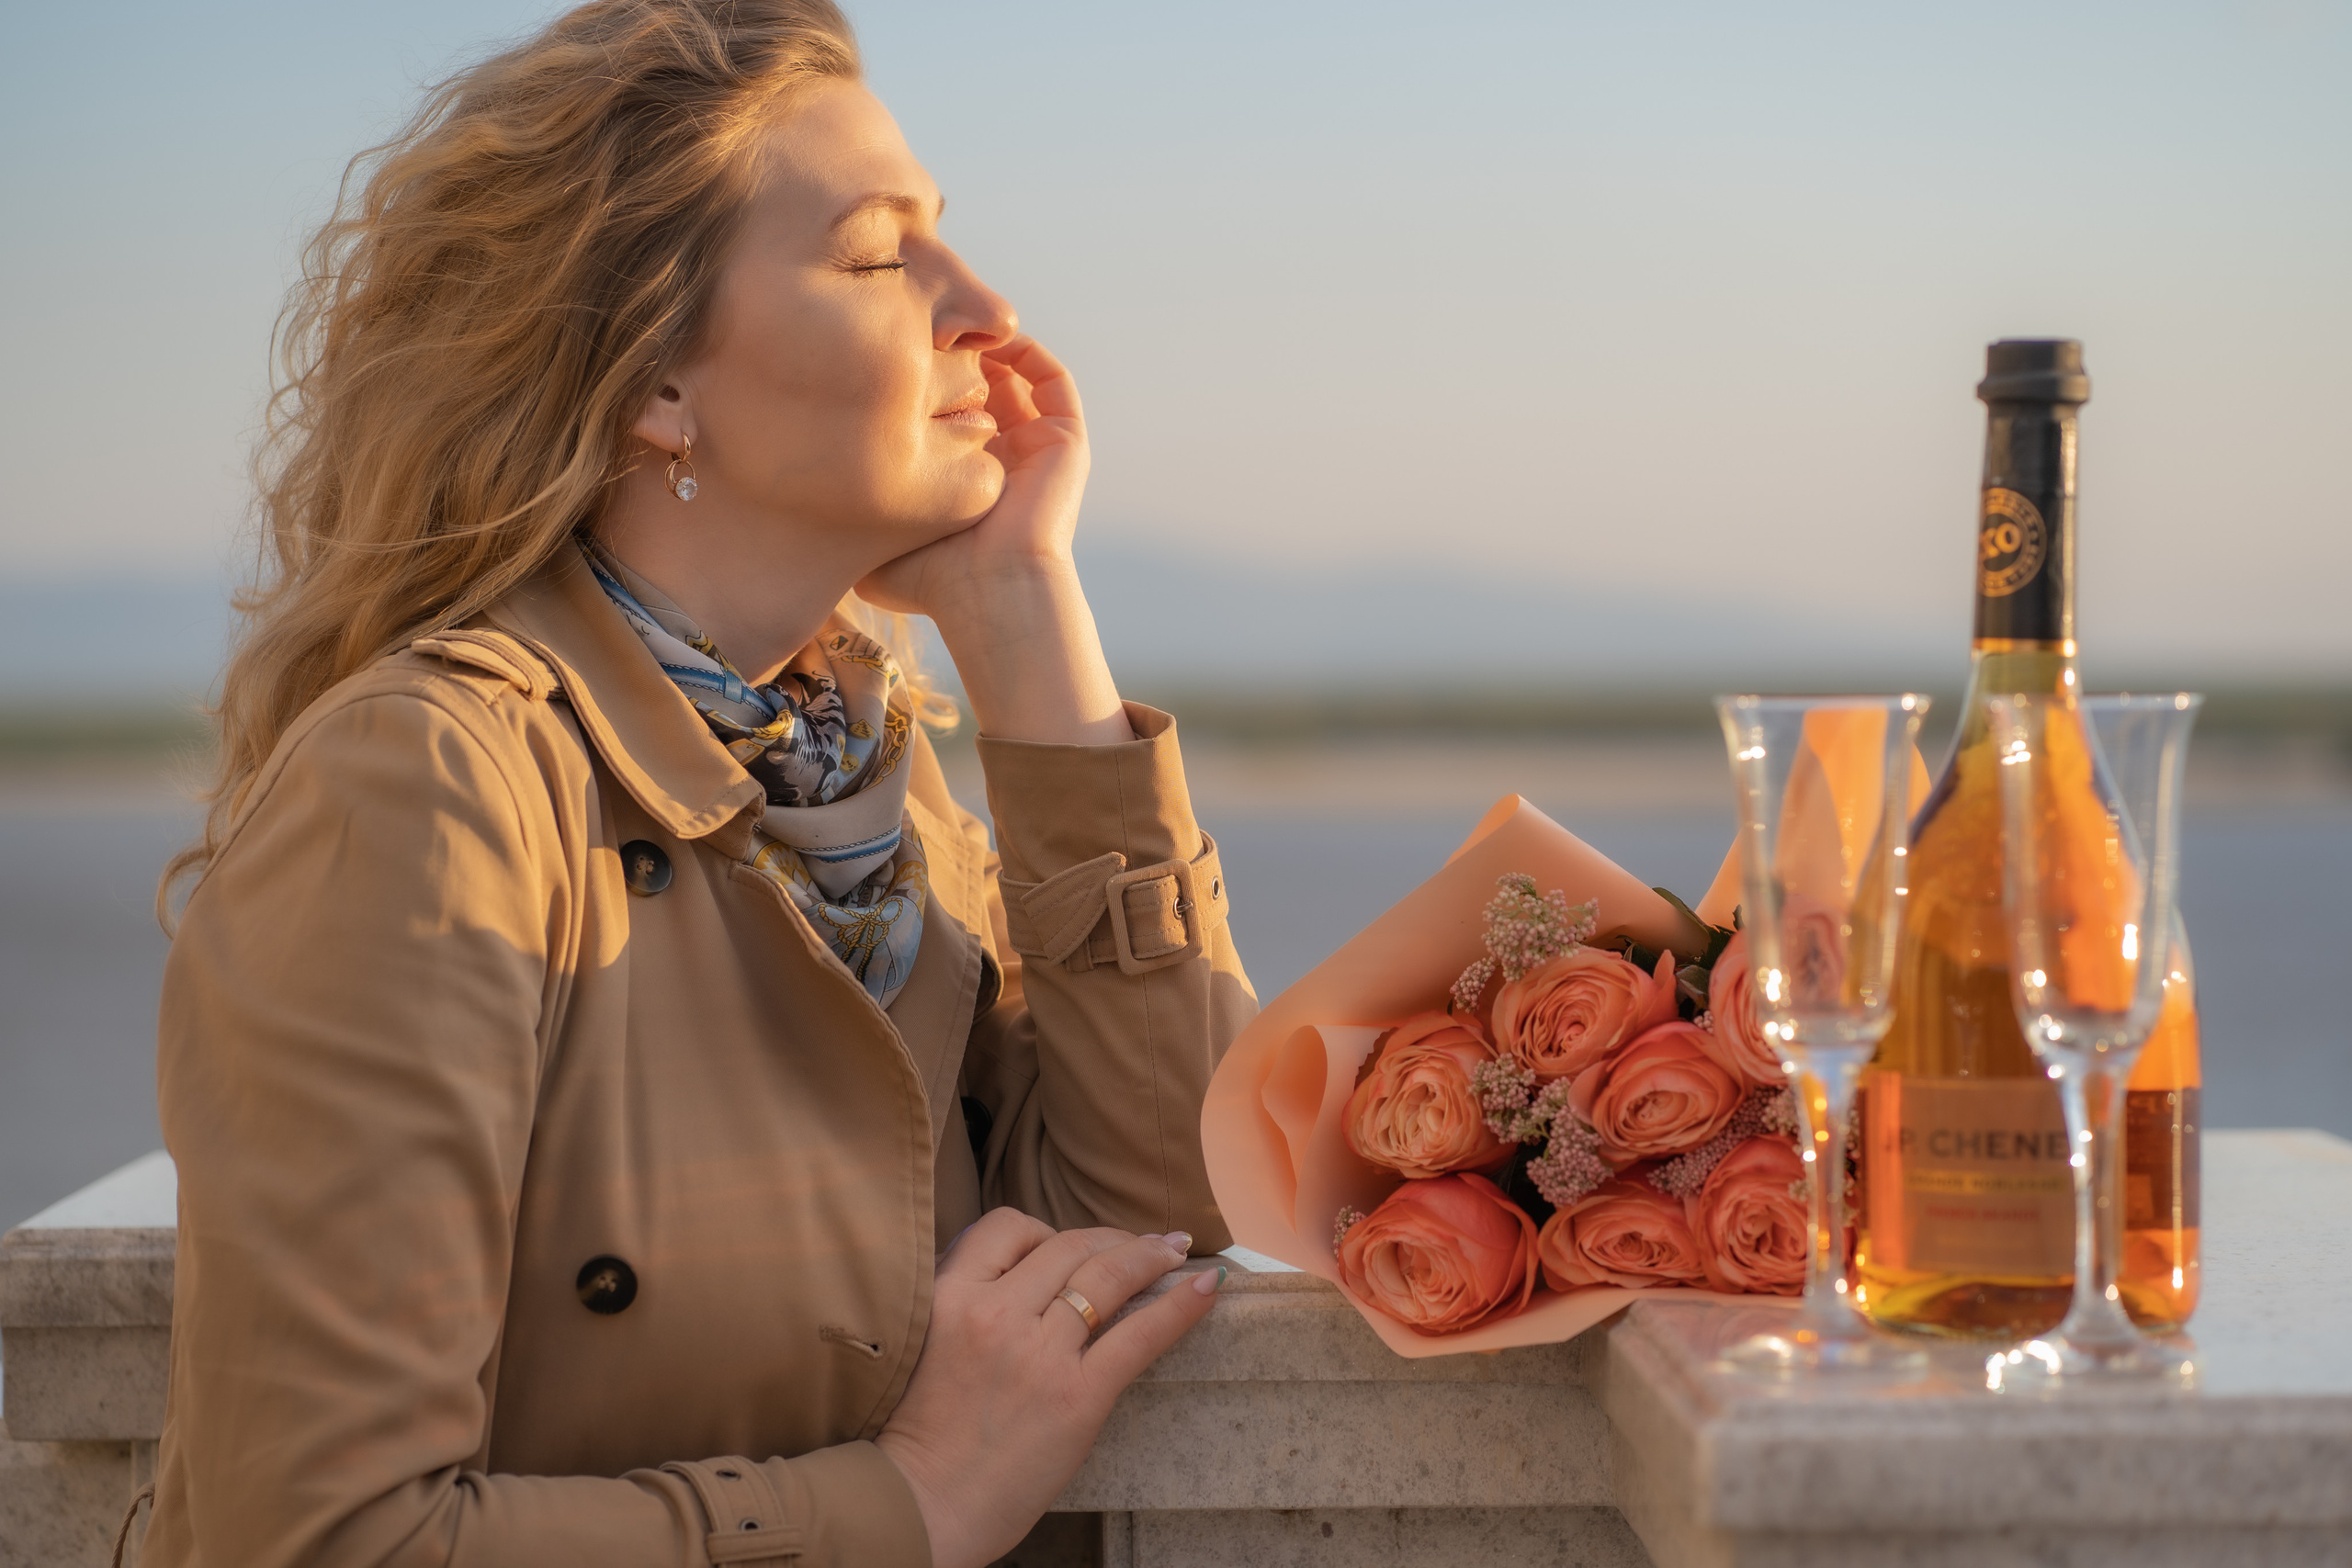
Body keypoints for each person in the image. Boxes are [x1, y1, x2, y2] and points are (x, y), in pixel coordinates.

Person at [143, 4, 1254, 1565]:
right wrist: (912, 1502)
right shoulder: (432, 788)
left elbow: (1163, 1206)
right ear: (659, 383)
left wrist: (1022, 614)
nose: (984, 306)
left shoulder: (868, 771)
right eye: (882, 257)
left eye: (948, 240)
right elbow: (322, 1539)